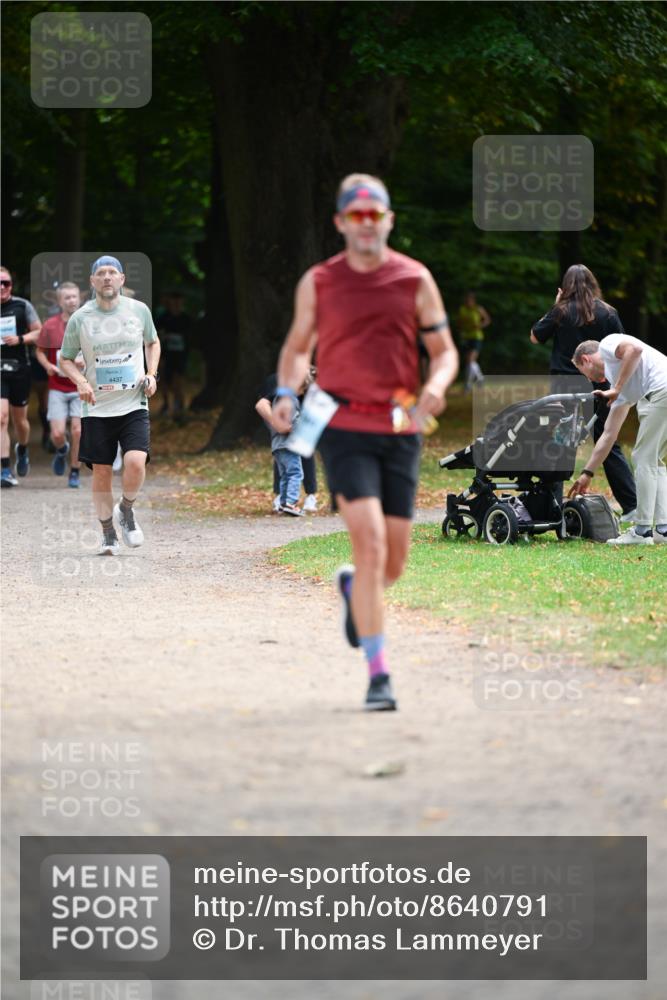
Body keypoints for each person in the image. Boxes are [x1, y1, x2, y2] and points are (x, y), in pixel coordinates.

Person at [273, 173, 458, 710]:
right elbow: (294, 347)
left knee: (392, 563)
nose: (367, 224)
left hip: (401, 424)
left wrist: (437, 387)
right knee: (371, 543)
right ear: (341, 223)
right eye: (356, 216)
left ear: (389, 220)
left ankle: (356, 589)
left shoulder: (414, 278)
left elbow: (443, 351)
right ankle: (379, 676)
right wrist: (287, 391)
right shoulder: (320, 282)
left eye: (375, 215)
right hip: (344, 424)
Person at [58, 256, 160, 555]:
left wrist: (152, 375)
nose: (106, 277)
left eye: (111, 273)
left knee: (135, 462)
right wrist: (81, 381)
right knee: (101, 473)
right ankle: (107, 534)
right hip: (97, 408)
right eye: (100, 273)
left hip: (133, 403)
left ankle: (126, 509)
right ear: (92, 281)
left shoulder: (138, 310)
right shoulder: (81, 317)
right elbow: (65, 358)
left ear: (122, 279)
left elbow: (152, 342)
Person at [530, 264, 637, 519]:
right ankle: (631, 506)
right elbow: (621, 347)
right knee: (608, 442)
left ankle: (552, 506)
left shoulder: (560, 311)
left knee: (560, 443)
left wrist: (555, 305)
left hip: (564, 386)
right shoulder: (608, 312)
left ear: (565, 286)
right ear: (592, 283)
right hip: (600, 384)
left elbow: (535, 337)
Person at [569, 335, 667, 545]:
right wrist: (587, 473)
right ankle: (662, 530)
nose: (588, 379)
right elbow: (608, 434)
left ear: (586, 360)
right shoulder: (621, 382)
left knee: (642, 456)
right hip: (660, 391)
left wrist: (617, 388)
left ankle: (641, 532)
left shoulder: (607, 345)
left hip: (662, 389)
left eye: (582, 373)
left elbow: (636, 349)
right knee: (654, 459)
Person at [35, 282, 84, 487]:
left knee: (77, 431)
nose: (71, 300)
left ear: (79, 298)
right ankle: (61, 449)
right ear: (59, 301)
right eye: (67, 297)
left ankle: (74, 471)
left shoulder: (87, 323)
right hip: (57, 386)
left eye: (74, 296)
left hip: (80, 386)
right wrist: (47, 365)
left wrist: (87, 361)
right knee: (56, 433)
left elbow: (100, 351)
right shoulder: (50, 325)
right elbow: (39, 351)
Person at [1, 266, 41, 486]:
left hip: (19, 369)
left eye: (5, 283)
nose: (1, 287)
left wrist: (20, 339)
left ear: (11, 286)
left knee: (20, 422)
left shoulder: (22, 305)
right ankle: (5, 470)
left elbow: (39, 331)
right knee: (1, 418)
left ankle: (22, 448)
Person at [256, 370, 318, 513]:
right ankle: (291, 503)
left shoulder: (279, 398)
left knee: (285, 474)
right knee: (295, 473)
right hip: (289, 445)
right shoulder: (291, 400)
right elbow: (292, 424)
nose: (302, 393)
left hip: (277, 445)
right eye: (302, 390)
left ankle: (283, 503)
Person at [157, 292, 192, 420]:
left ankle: (179, 404)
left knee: (178, 380)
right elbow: (156, 336)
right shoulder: (163, 318)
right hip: (166, 355)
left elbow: (190, 338)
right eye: (173, 302)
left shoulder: (186, 319)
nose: (176, 305)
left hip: (180, 355)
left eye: (179, 302)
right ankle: (166, 404)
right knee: (164, 381)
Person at [457, 291, 490, 391]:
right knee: (470, 361)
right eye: (466, 300)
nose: (468, 302)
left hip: (477, 337)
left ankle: (468, 385)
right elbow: (460, 323)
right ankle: (480, 379)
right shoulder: (462, 310)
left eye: (470, 300)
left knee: (471, 360)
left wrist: (480, 326)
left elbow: (487, 320)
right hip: (467, 337)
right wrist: (461, 331)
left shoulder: (478, 309)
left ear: (473, 301)